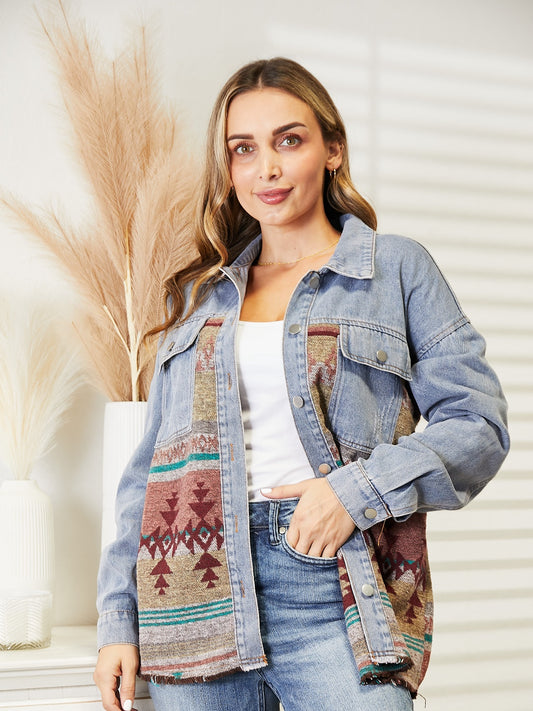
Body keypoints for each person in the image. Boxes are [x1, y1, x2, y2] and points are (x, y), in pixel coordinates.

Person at [93, 57, 509, 711]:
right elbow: (147, 476)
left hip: (332, 583)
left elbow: (477, 424)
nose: (268, 168)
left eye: (289, 139)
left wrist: (353, 492)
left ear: (332, 148)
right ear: (228, 170)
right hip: (192, 599)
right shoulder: (196, 297)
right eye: (243, 149)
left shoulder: (394, 269)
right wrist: (117, 617)